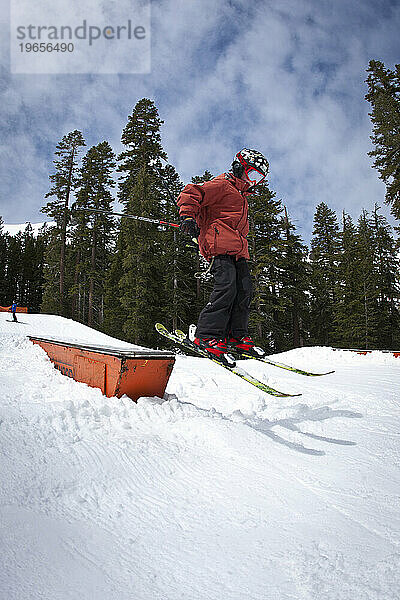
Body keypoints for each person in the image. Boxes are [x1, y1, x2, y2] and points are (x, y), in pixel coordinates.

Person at [177, 148, 269, 364]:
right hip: (218, 245)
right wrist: (188, 216)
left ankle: (236, 337)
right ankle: (207, 336)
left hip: (238, 249)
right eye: (251, 174)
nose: (253, 181)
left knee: (244, 290)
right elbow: (192, 192)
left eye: (258, 178)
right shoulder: (222, 185)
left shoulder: (242, 195)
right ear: (239, 167)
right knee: (226, 287)